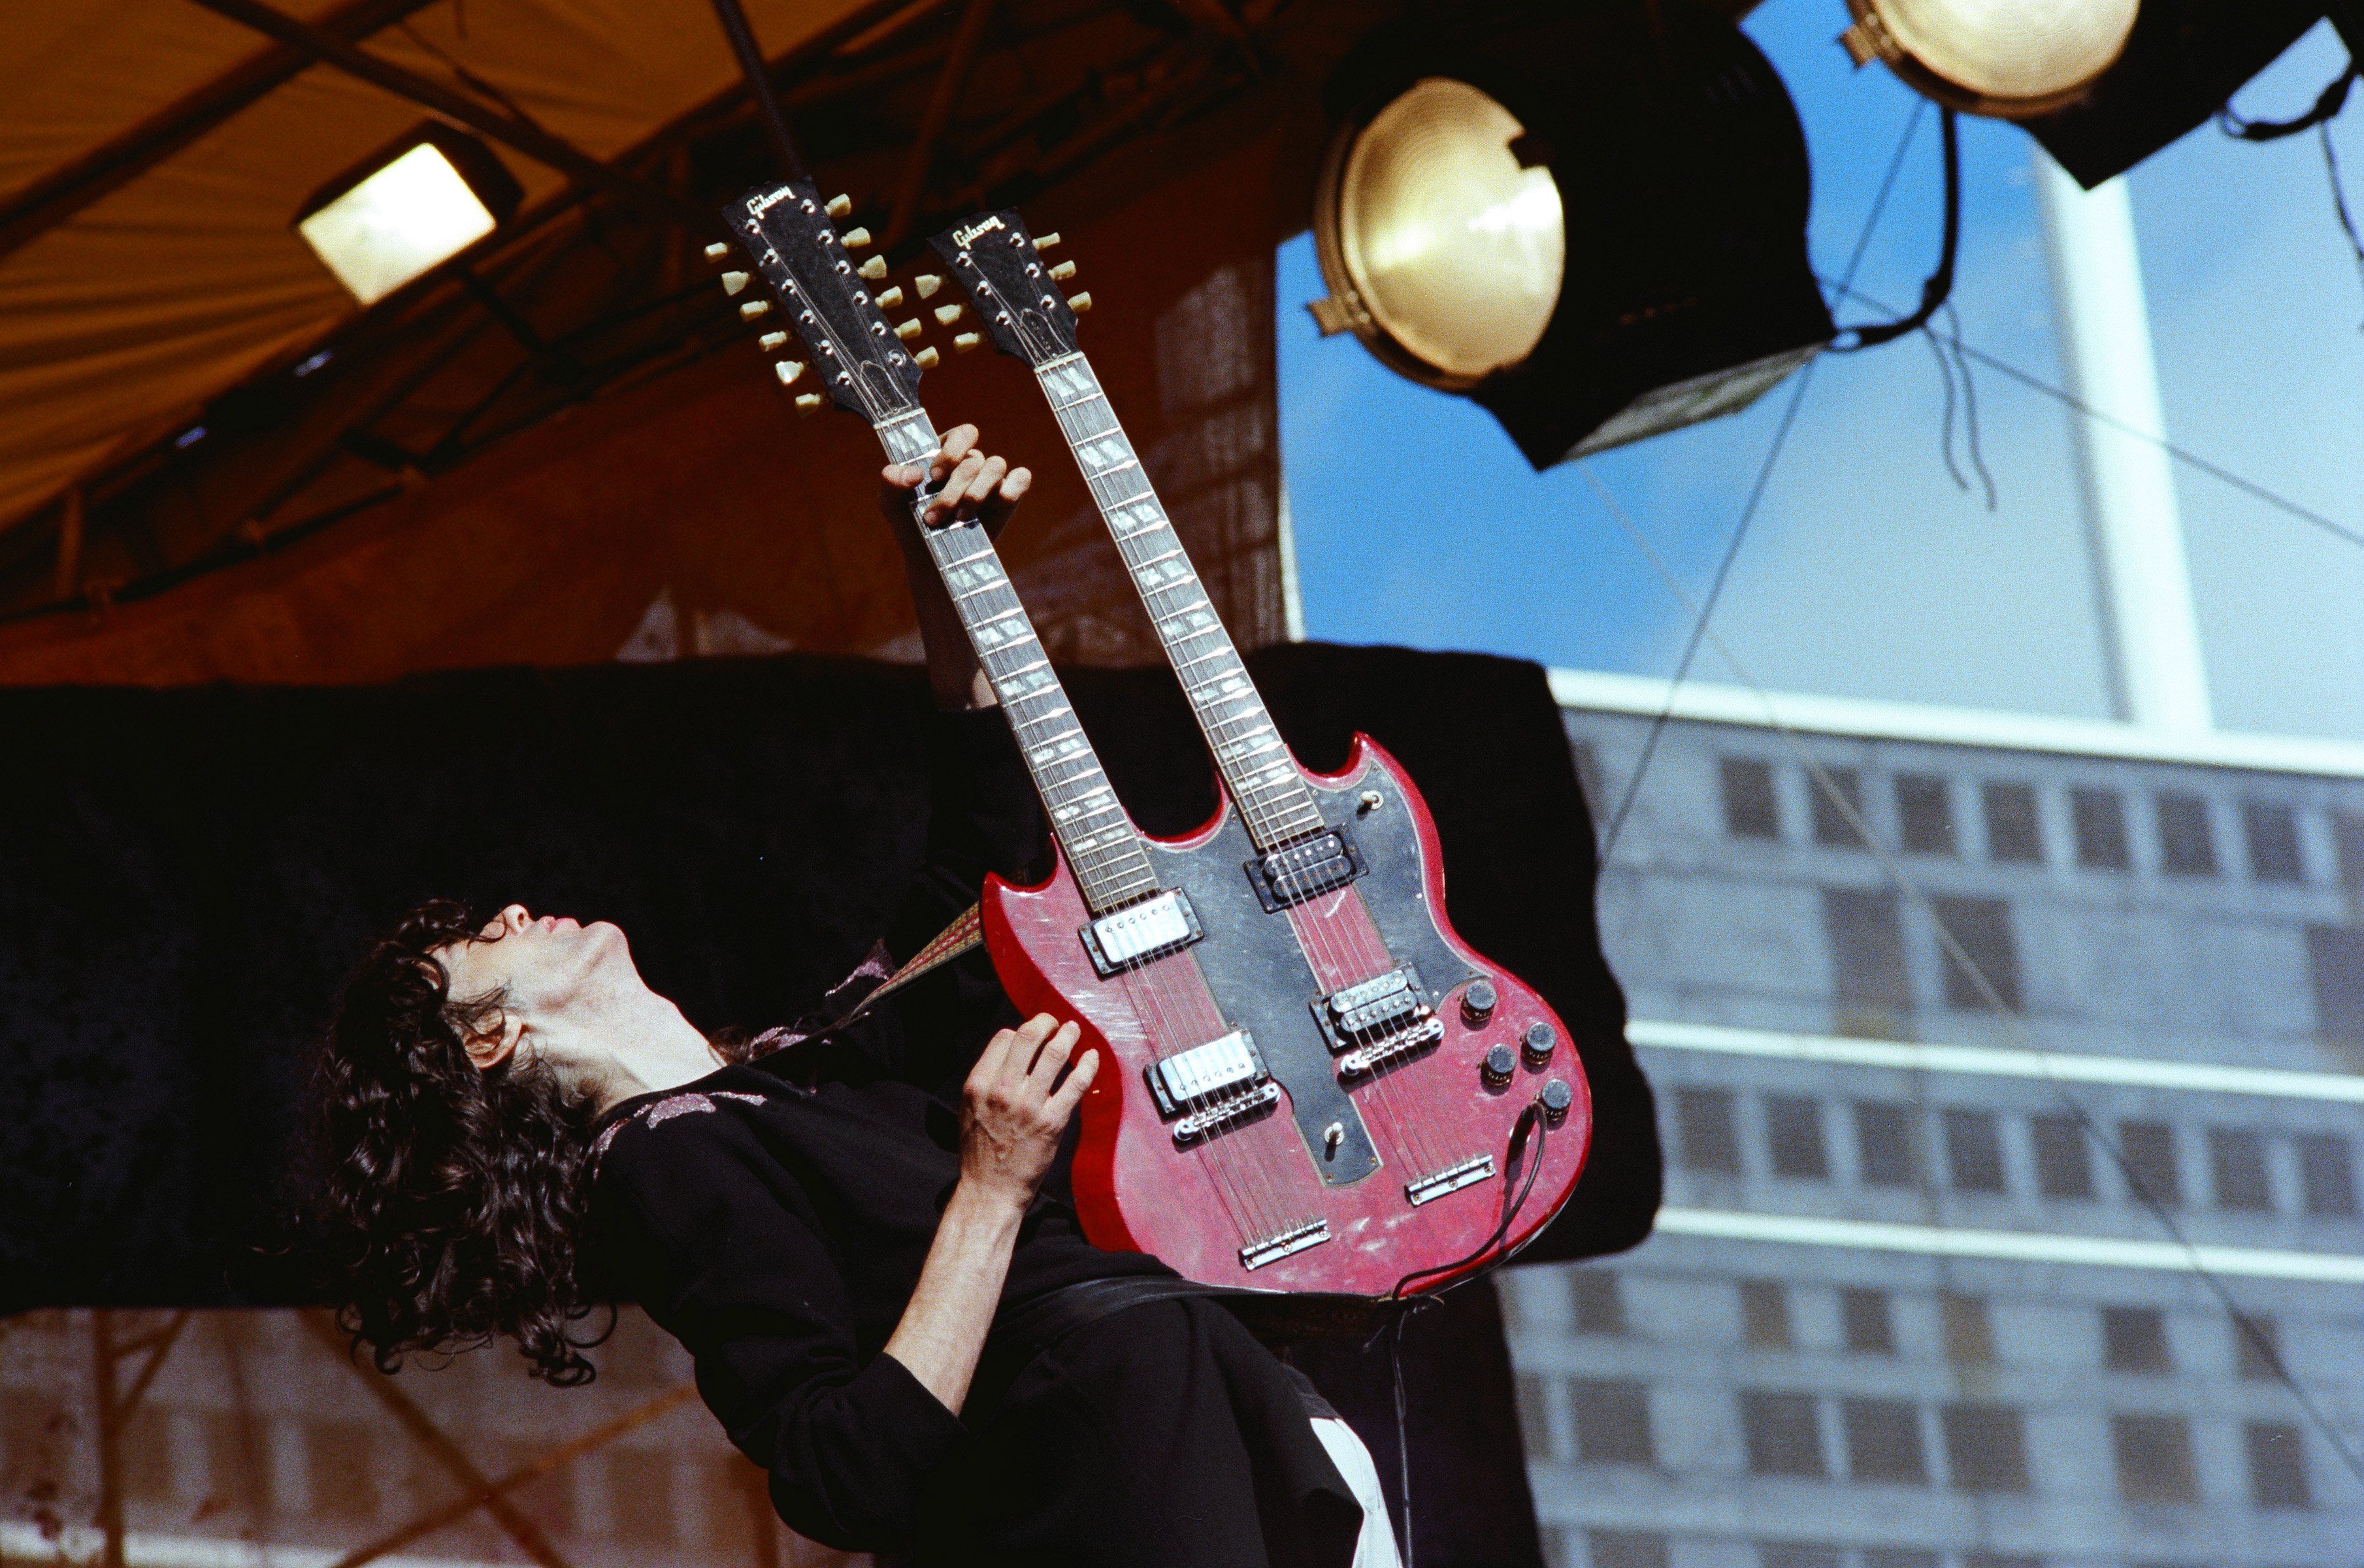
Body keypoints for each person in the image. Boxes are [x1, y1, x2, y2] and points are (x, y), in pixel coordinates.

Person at [310, 425, 1399, 1568]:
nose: (516, 913)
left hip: (1214, 1409)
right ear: (487, 1038)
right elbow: (841, 1470)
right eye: (484, 944)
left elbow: (972, 883)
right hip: (1112, 1470)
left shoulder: (793, 1072)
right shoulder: (660, 1159)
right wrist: (988, 1188)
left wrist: (946, 576)